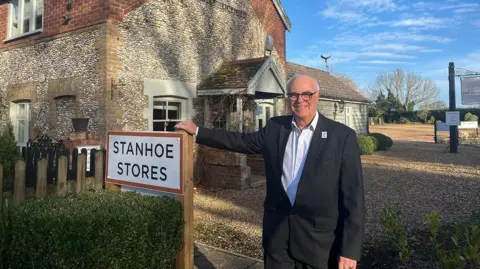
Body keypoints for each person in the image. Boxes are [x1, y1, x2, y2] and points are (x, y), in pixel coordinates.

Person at [175, 74, 365, 269]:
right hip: (278, 239)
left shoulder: (341, 137)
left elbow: (353, 199)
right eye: (293, 95)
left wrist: (349, 251)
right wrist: (198, 131)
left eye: (306, 94)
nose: (299, 100)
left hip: (319, 245)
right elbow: (241, 141)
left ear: (317, 96)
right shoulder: (276, 127)